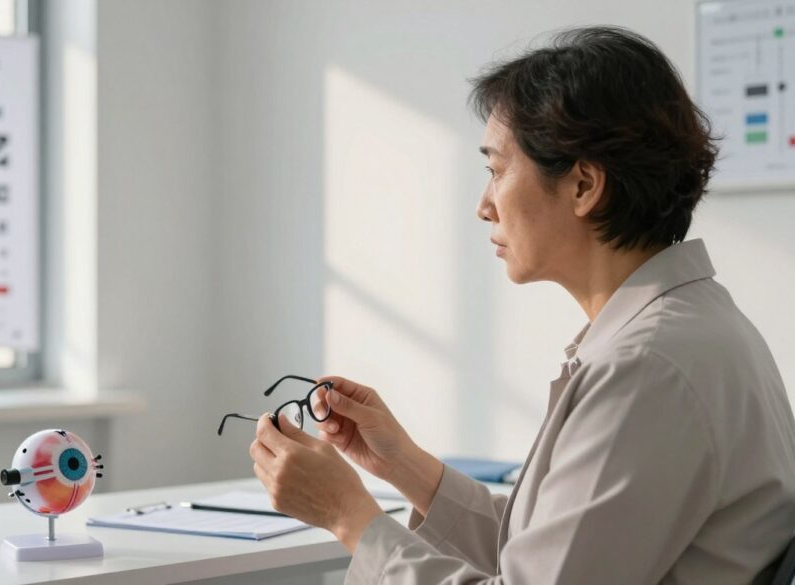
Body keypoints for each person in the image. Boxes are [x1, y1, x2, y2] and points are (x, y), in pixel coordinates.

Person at [248, 26, 795, 584]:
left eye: (496, 170)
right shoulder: (686, 331)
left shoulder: (646, 369)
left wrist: (348, 516)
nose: (484, 205)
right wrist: (404, 466)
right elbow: (555, 555)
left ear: (583, 186)